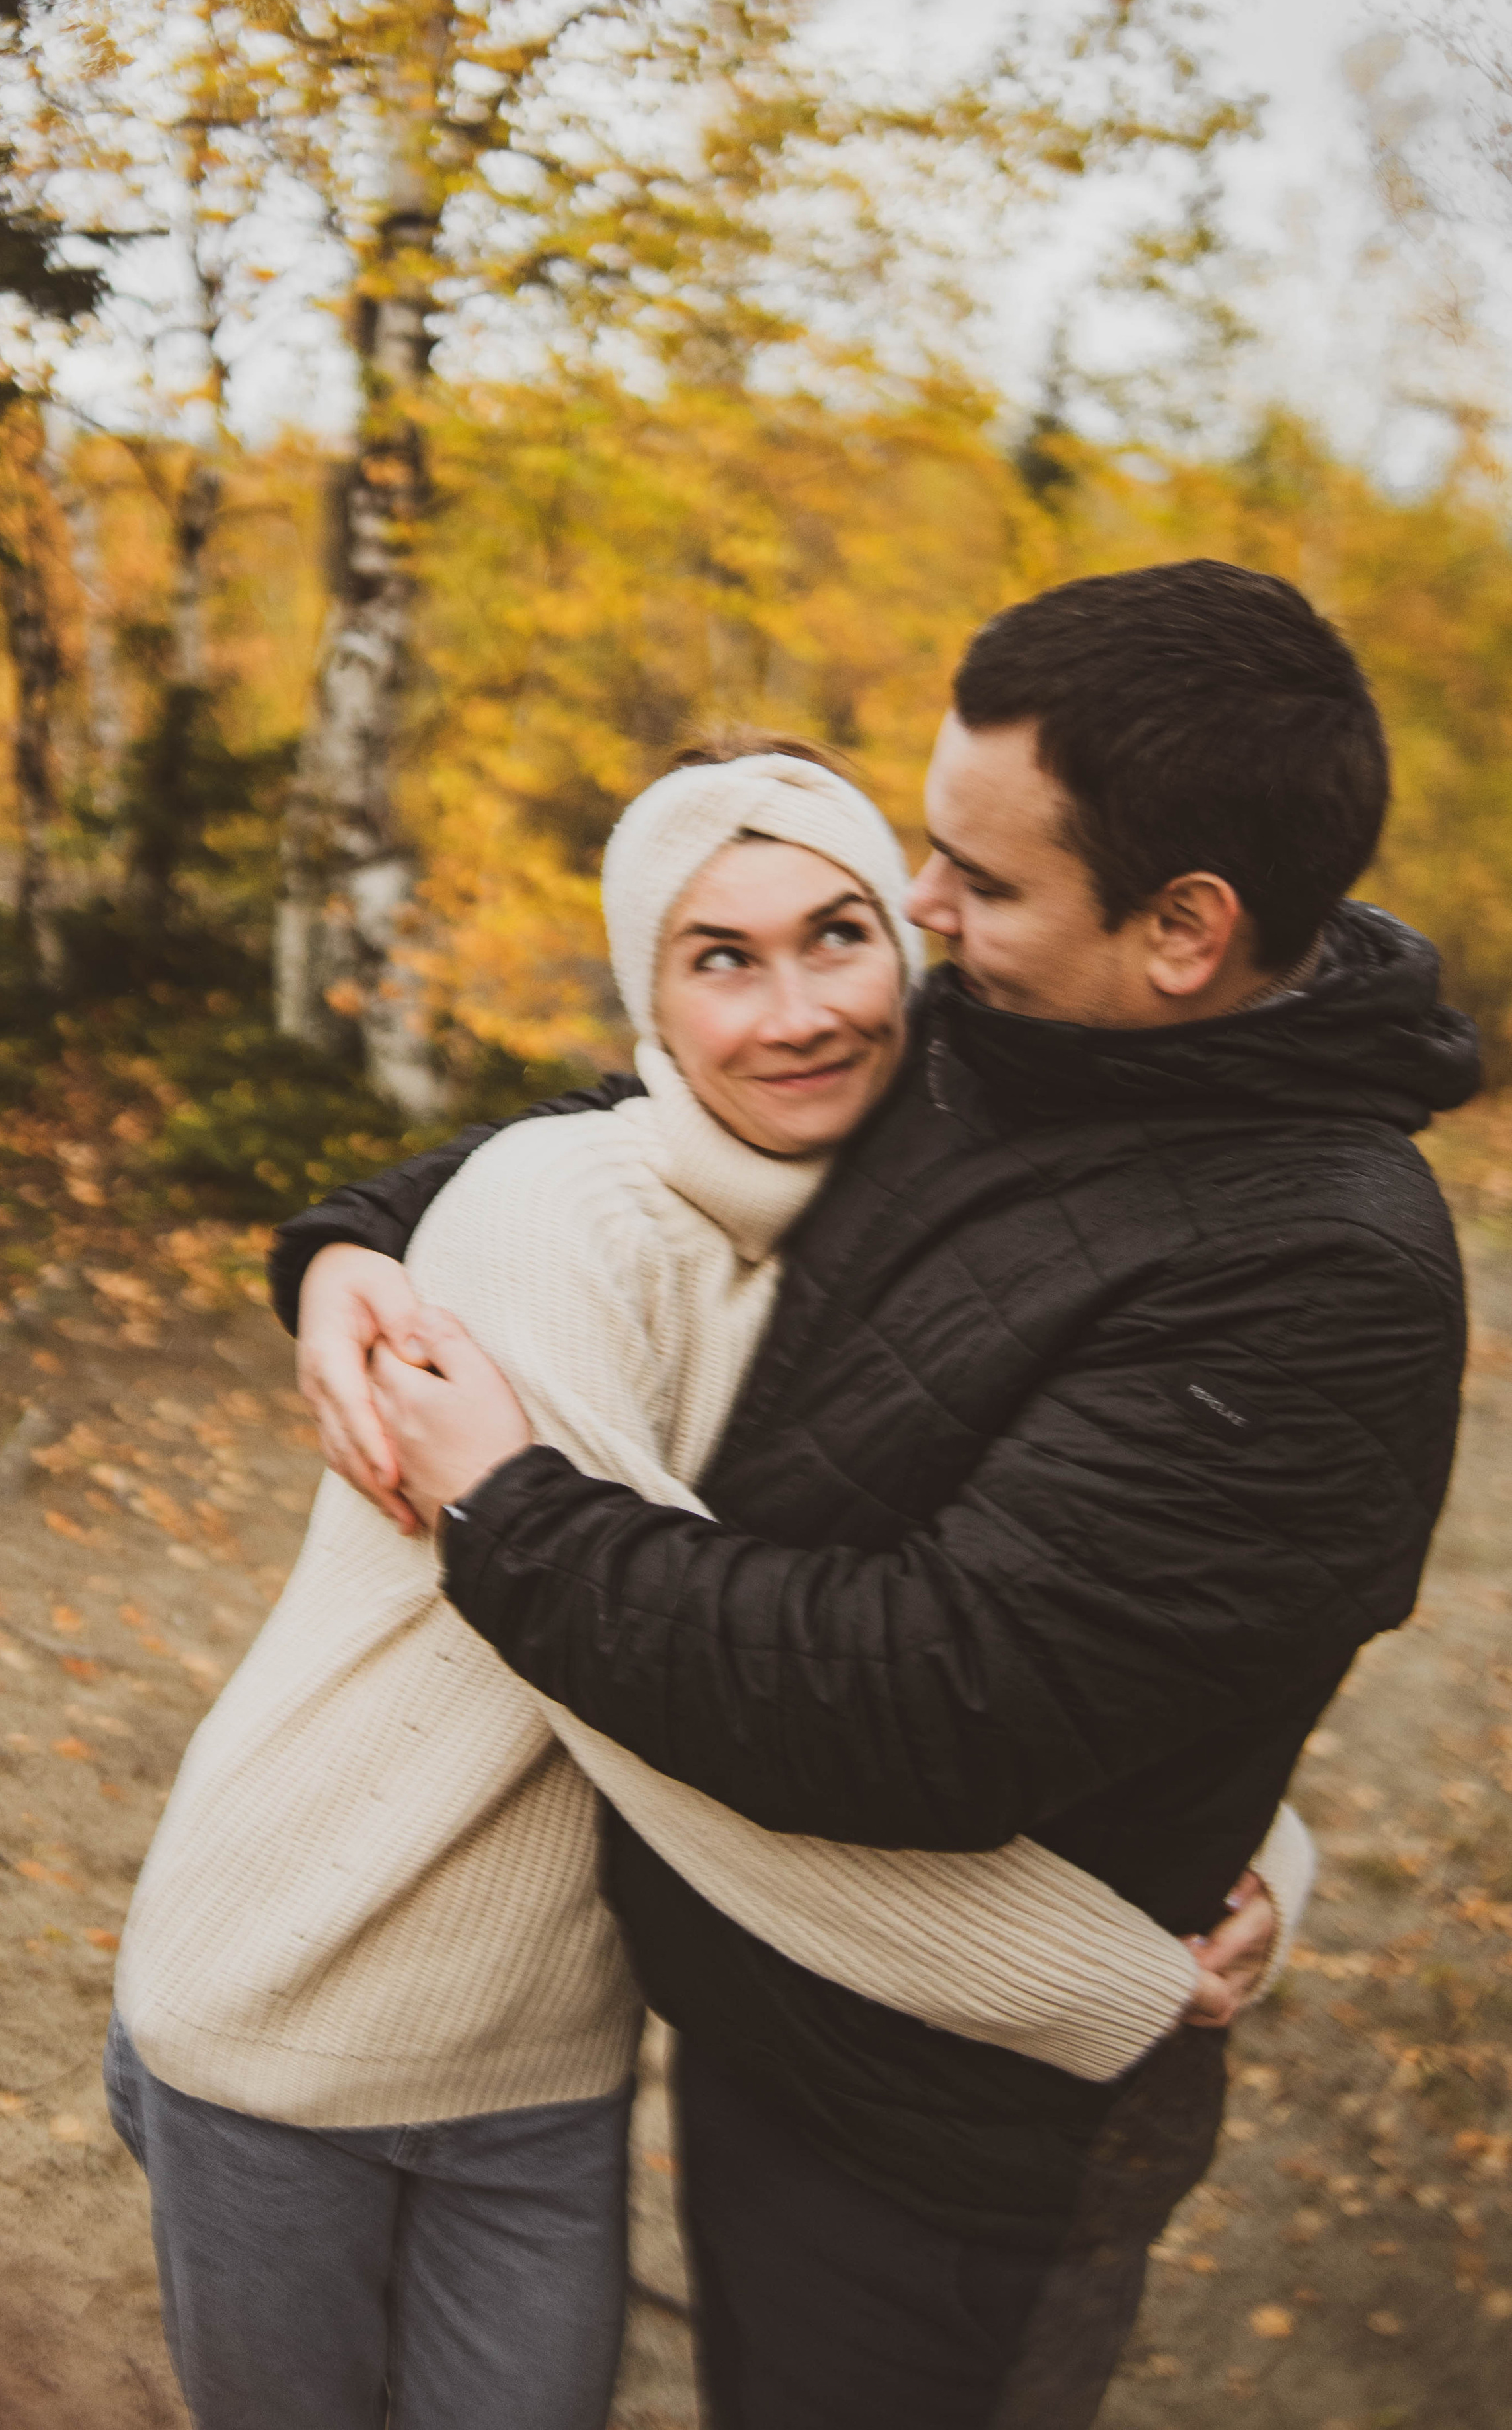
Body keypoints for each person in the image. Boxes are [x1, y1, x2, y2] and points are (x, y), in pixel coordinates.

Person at [286, 559, 1479, 2430]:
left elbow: (924, 1700)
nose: (920, 918)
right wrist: (358, 1239)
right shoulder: (1021, 1024)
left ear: (1187, 926)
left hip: (954, 2135)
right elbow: (687, 1111)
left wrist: (506, 1506)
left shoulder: (1322, 1273)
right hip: (773, 2010)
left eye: (979, 881)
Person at [107, 745, 1294, 2430]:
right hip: (287, 1997)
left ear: (911, 946)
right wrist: (1103, 1974)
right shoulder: (553, 1215)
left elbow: (1045, 1579)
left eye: (836, 934)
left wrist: (1254, 1841)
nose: (795, 1009)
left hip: (545, 2055)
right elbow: (674, 1701)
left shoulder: (907, 1218)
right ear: (646, 1001)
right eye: (719, 957)